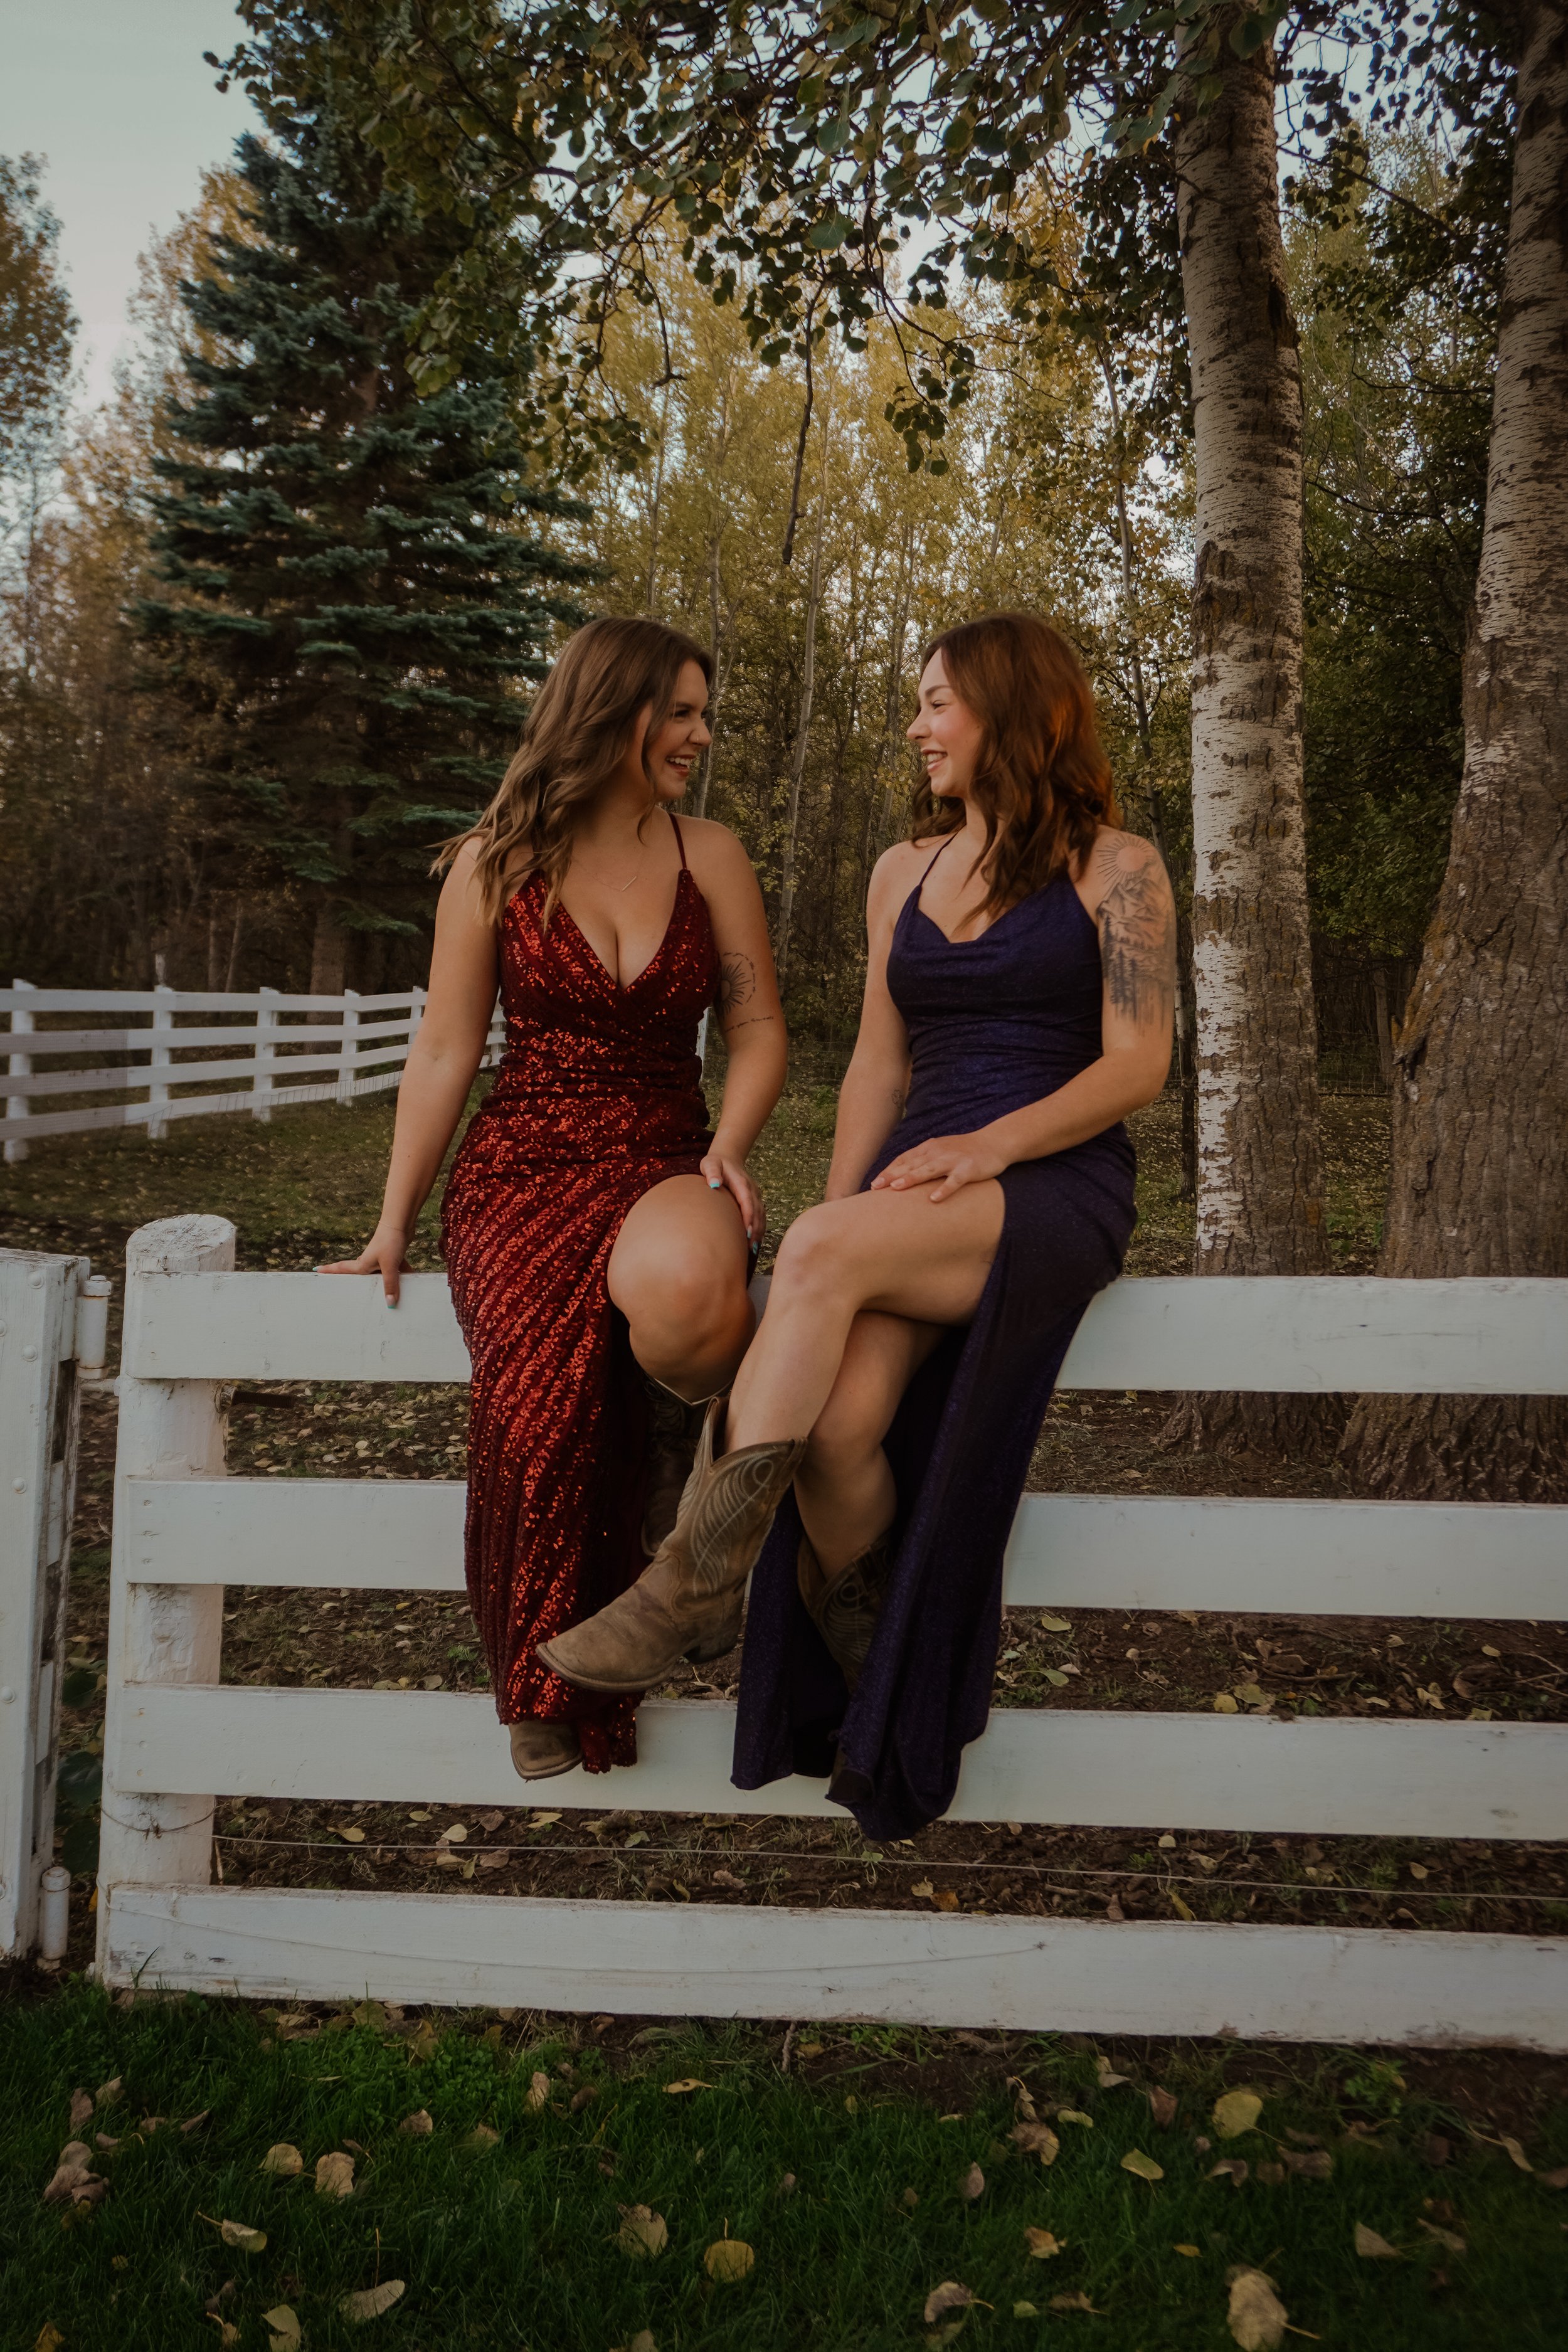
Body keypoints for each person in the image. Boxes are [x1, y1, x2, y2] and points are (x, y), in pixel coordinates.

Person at [539, 610, 1173, 1838]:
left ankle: (693, 1581)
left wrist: (991, 1144)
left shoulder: (1119, 867)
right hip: (913, 1187)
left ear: (1009, 708)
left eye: (937, 700)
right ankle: (887, 1665)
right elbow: (878, 1070)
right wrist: (841, 1213)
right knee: (832, 1430)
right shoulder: (900, 871)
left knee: (822, 1267)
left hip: (1049, 1181)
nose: (916, 724)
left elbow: (1136, 1064)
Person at [323, 616, 785, 1781]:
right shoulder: (495, 862)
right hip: (521, 1165)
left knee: (691, 1292)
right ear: (611, 711)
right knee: (533, 1409)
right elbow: (442, 1053)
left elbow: (757, 1027)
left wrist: (728, 1147)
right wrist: (391, 1219)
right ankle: (539, 1676)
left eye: (701, 712)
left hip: (663, 1147)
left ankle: (673, 1471)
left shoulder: (711, 853)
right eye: (678, 712)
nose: (699, 734)